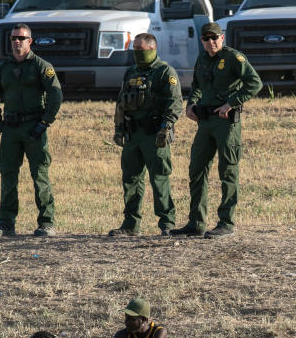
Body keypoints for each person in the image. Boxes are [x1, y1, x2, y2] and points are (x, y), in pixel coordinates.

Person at [171, 22, 262, 239]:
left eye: (215, 38)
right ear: (201, 40)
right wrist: (191, 104)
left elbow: (254, 83)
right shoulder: (202, 59)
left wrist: (232, 102)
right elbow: (196, 86)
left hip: (226, 122)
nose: (211, 43)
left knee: (227, 171)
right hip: (205, 121)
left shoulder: (233, 58)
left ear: (222, 38)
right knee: (197, 170)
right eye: (206, 39)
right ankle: (196, 222)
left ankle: (226, 222)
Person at [0, 23, 63, 237]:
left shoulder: (41, 66)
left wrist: (45, 122)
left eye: (21, 38)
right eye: (14, 38)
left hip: (34, 127)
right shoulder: (3, 69)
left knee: (40, 175)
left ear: (30, 41)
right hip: (10, 128)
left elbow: (56, 95)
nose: (17, 42)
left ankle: (47, 222)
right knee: (7, 174)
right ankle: (6, 224)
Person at [109, 33, 182, 236]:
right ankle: (130, 225)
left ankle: (167, 223)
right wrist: (118, 129)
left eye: (140, 50)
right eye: (135, 49)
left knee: (159, 178)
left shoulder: (164, 72)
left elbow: (175, 103)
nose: (137, 54)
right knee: (131, 179)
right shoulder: (130, 73)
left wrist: (166, 128)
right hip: (133, 135)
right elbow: (121, 103)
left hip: (155, 134)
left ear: (152, 49)